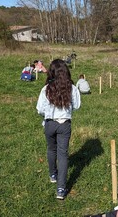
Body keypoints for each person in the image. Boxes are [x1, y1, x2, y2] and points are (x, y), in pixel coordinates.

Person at [36, 59, 81, 200]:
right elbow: (77, 105)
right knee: (63, 154)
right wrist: (66, 110)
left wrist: (49, 113)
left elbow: (39, 109)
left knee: (51, 149)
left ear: (51, 72)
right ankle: (61, 188)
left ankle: (53, 174)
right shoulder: (72, 88)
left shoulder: (46, 89)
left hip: (49, 124)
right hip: (64, 124)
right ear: (66, 72)